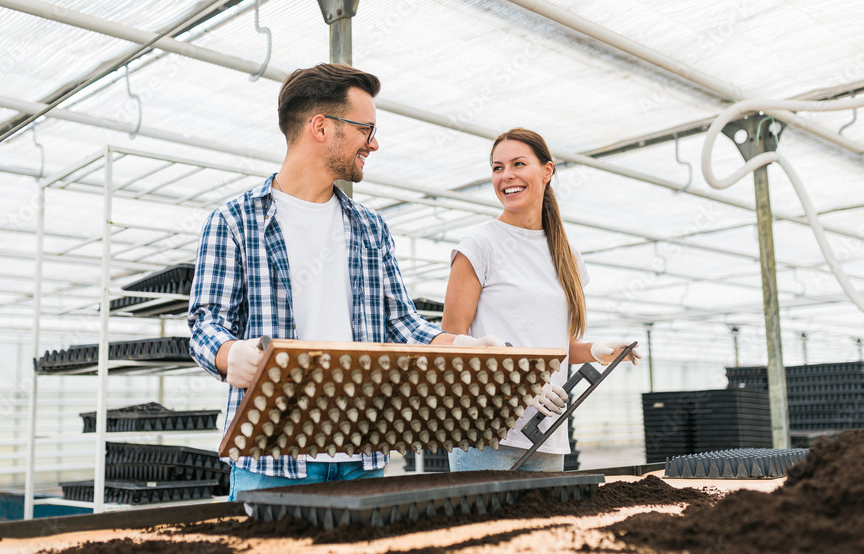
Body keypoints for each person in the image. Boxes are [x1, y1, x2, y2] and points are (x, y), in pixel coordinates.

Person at [188, 63, 496, 497]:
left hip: (360, 458)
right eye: (365, 129)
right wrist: (226, 353)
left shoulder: (369, 228)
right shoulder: (235, 221)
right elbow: (204, 322)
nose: (374, 143)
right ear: (320, 127)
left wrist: (462, 348)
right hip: (272, 464)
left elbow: (400, 325)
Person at [442, 128, 641, 472]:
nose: (507, 176)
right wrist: (518, 385)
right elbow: (452, 344)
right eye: (497, 167)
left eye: (518, 164)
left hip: (547, 433)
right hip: (487, 435)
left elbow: (555, 345)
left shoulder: (568, 256)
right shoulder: (479, 245)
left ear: (547, 171)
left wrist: (595, 351)